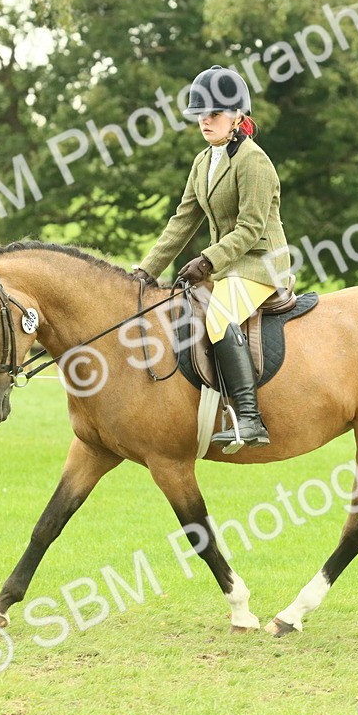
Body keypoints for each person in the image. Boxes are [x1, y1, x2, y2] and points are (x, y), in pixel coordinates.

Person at [133, 65, 292, 450]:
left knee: (219, 315)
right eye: (200, 113)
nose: (206, 119)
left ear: (237, 115)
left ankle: (251, 419)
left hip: (260, 262)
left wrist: (207, 261)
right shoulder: (204, 161)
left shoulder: (253, 161)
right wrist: (144, 271)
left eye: (215, 112)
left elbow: (252, 227)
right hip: (229, 264)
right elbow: (182, 221)